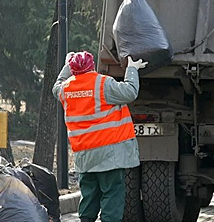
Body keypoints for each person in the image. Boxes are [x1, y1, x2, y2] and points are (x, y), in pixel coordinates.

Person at [52, 51, 148, 222]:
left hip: (84, 155)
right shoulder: (102, 84)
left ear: (73, 69)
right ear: (92, 66)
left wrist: (68, 65)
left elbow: (56, 86)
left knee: (89, 195)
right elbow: (130, 92)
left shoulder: (65, 89)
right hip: (108, 154)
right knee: (112, 194)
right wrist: (132, 69)